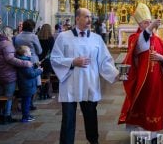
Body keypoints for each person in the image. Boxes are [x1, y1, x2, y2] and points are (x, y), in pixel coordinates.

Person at [50, 8, 119, 144]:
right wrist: (72, 62)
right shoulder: (64, 37)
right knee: (68, 118)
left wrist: (116, 74)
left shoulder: (96, 39)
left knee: (91, 117)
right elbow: (54, 58)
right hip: (70, 83)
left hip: (89, 82)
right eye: (86, 17)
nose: (90, 20)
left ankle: (93, 141)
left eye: (90, 17)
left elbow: (104, 61)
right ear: (77, 19)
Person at [118, 3, 163, 144]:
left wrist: (162, 58)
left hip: (157, 82)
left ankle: (153, 135)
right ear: (140, 25)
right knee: (143, 106)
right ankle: (141, 137)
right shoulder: (135, 38)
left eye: (149, 22)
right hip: (142, 81)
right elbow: (141, 46)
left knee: (155, 107)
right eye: (146, 23)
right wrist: (150, 27)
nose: (149, 24)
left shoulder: (159, 40)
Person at [0, 26, 33, 124]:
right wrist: (25, 63)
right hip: (8, 74)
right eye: (11, 33)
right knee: (8, 96)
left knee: (0, 94)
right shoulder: (7, 44)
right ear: (8, 34)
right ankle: (7, 116)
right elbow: (10, 59)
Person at [14, 19, 43, 110]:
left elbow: (16, 49)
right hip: (32, 60)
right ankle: (29, 104)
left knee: (24, 83)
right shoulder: (33, 36)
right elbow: (39, 50)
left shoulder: (18, 36)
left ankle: (25, 104)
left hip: (19, 60)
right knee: (33, 83)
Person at [15, 45, 43, 123]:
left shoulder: (25, 61)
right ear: (25, 54)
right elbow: (30, 74)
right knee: (26, 102)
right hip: (26, 85)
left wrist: (35, 65)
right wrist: (39, 71)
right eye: (29, 51)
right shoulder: (25, 63)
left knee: (27, 101)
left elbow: (30, 70)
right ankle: (25, 117)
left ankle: (27, 115)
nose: (30, 52)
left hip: (27, 85)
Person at [37, 24, 55, 100]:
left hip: (39, 59)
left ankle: (41, 92)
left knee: (40, 76)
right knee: (47, 76)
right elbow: (53, 50)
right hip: (47, 59)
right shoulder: (51, 38)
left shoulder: (38, 37)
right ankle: (46, 93)